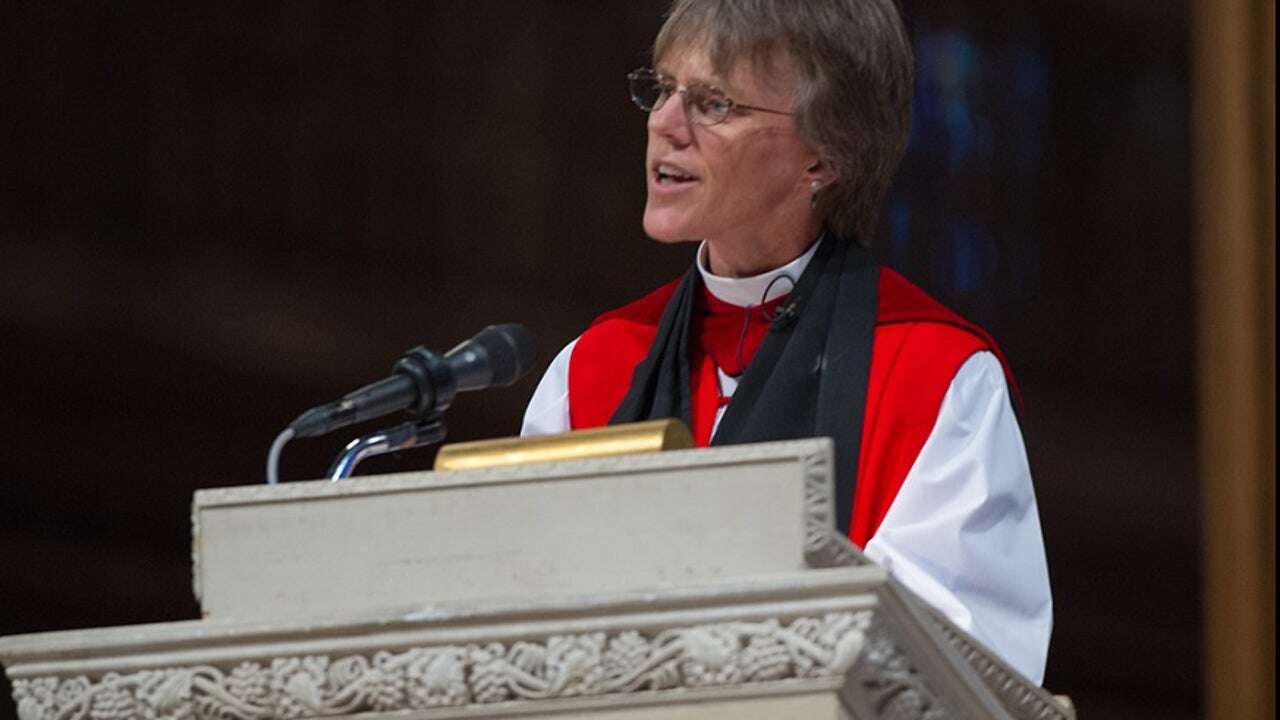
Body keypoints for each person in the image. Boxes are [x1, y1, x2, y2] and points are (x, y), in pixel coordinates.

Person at [521, 0, 1052, 684]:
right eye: (661, 89)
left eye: (713, 104)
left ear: (825, 157)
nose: (664, 124)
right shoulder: (593, 368)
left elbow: (964, 667)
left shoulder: (935, 377)